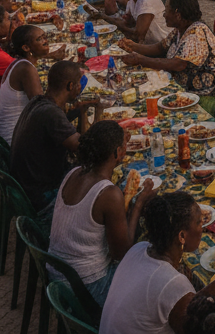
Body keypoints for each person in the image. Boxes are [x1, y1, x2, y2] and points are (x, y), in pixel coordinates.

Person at [99, 192, 215, 334]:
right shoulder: (171, 282)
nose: (203, 228)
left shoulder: (139, 248)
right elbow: (194, 324)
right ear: (182, 236)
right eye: (199, 222)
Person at [50, 120, 155, 306]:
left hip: (58, 272)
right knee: (151, 267)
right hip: (86, 286)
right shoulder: (108, 194)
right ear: (116, 153)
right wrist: (138, 204)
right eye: (123, 147)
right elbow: (122, 254)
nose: (124, 150)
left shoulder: (73, 173)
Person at [121, 0, 215, 113]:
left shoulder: (197, 34)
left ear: (178, 14)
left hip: (211, 95)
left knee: (158, 108)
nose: (164, 15)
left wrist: (140, 59)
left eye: (167, 10)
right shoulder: (180, 30)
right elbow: (160, 47)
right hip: (189, 89)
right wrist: (133, 46)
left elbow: (178, 64)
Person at [11, 59, 84, 216]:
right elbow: (85, 148)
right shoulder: (51, 114)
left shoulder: (38, 101)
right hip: (43, 196)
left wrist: (83, 111)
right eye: (79, 83)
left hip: (28, 184)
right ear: (70, 86)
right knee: (97, 177)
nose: (80, 87)